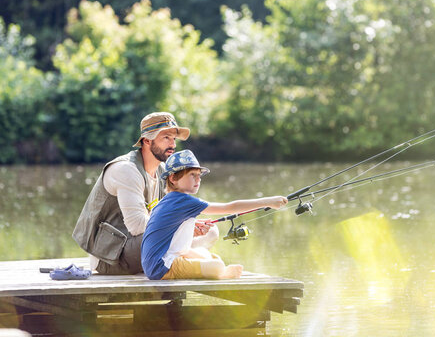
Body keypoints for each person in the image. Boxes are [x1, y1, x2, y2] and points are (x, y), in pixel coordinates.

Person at [72, 112, 218, 275]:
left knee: (211, 232)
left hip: (142, 244)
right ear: (147, 140)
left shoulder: (163, 171)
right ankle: (191, 263)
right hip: (110, 257)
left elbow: (165, 214)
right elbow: (136, 225)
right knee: (181, 234)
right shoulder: (126, 170)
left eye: (173, 139)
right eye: (166, 138)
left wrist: (187, 223)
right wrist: (179, 225)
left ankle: (185, 261)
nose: (172, 145)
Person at [141, 150, 288, 280]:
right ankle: (222, 273)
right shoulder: (183, 200)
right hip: (161, 267)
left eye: (199, 175)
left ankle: (217, 269)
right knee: (216, 266)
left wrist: (193, 224)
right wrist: (267, 202)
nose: (198, 179)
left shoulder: (169, 200)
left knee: (207, 255)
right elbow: (230, 207)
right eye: (192, 175)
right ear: (173, 178)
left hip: (158, 262)